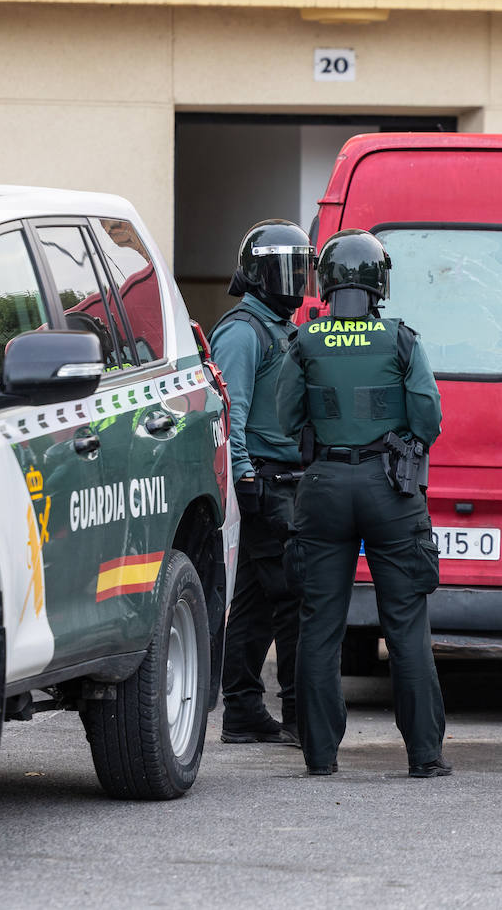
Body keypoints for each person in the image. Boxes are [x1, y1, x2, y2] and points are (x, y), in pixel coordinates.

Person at [275, 228, 449, 778]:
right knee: (405, 627)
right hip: (389, 489)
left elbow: (284, 419)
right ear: (379, 285)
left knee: (319, 626)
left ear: (325, 284)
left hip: (323, 487)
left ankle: (320, 757)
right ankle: (424, 756)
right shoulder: (401, 340)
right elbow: (428, 417)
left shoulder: (303, 341)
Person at [210, 219, 313, 744]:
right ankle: (298, 715)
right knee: (294, 599)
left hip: (282, 481)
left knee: (253, 604)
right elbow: (232, 415)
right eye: (285, 270)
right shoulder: (243, 330)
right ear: (257, 273)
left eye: (302, 268)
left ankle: (244, 712)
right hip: (268, 484)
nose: (294, 281)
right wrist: (247, 478)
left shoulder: (277, 327)